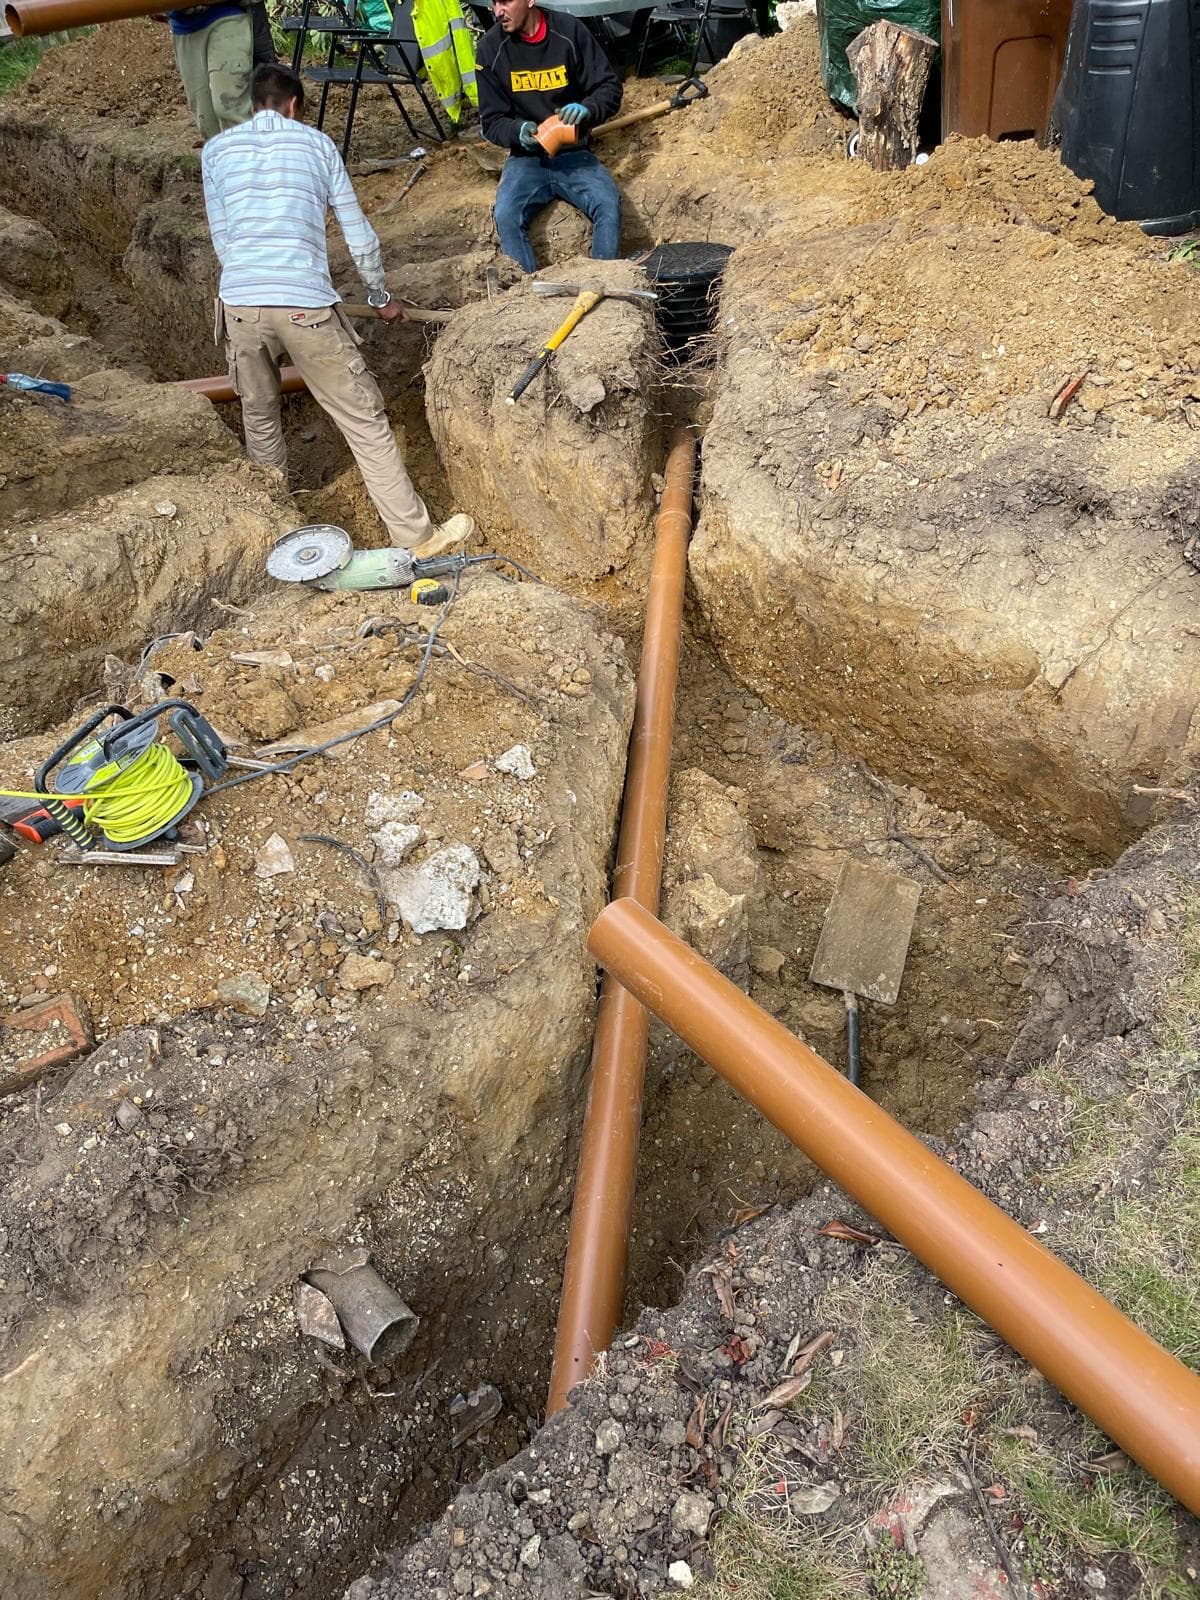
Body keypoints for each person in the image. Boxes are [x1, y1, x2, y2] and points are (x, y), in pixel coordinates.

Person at [201, 63, 473, 557]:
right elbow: (359, 236)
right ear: (295, 106)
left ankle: (277, 538)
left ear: (252, 106)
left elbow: (224, 239)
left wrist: (254, 286)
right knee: (365, 423)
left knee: (260, 419)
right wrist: (380, 297)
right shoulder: (317, 145)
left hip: (239, 303)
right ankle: (417, 539)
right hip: (306, 305)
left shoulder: (216, 151)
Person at [476, 0, 622, 273]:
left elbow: (609, 88)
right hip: (526, 158)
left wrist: (588, 109)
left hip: (573, 153)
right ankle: (528, 300)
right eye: (494, 3)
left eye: (505, 1)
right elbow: (491, 121)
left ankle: (604, 284)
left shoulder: (569, 32)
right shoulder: (490, 48)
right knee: (506, 215)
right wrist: (517, 132)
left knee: (607, 203)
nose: (498, 12)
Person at [163, 2, 255, 140]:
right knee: (206, 121)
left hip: (226, 16)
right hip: (183, 27)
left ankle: (247, 158)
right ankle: (221, 160)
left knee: (230, 108)